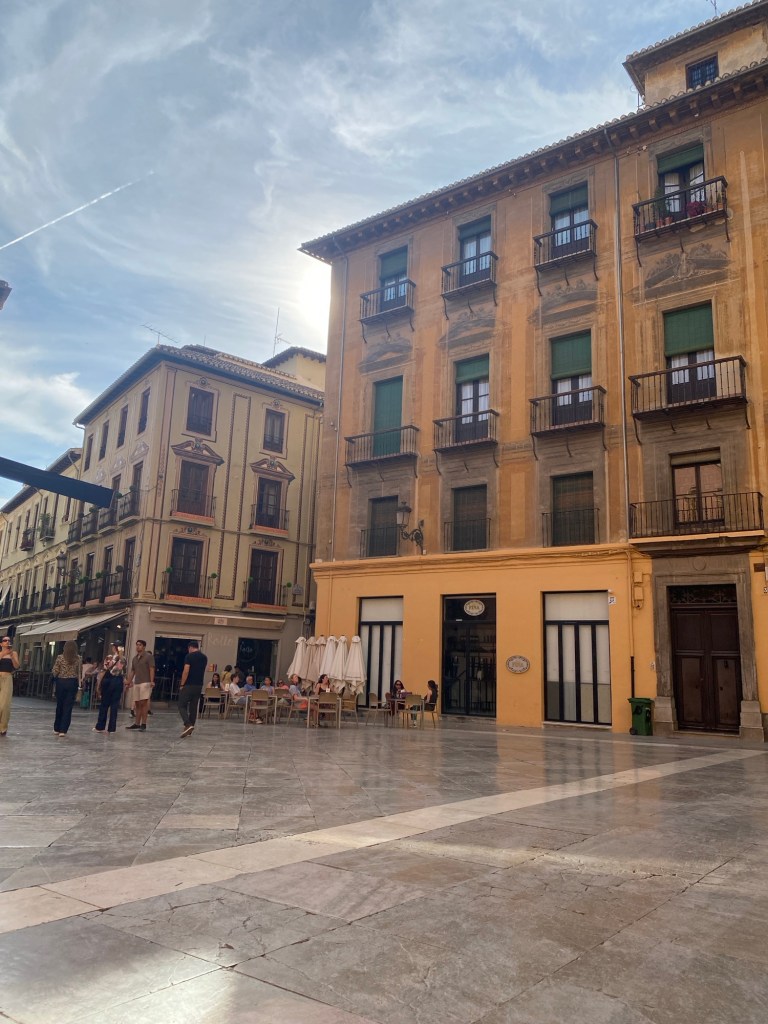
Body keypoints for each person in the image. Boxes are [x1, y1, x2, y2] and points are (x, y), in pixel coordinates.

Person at [178, 640, 208, 738]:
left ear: (190, 647)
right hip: (199, 685)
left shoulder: (189, 656)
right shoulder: (204, 657)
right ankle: (189, 730)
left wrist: (182, 684)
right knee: (193, 708)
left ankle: (188, 724)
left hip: (189, 684)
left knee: (181, 705)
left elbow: (186, 670)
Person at [94, 644, 126, 735]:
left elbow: (105, 668)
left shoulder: (110, 657)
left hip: (109, 680)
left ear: (114, 648)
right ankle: (112, 728)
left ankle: (100, 726)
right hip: (118, 681)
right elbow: (123, 671)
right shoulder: (123, 659)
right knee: (114, 705)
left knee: (104, 704)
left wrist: (99, 684)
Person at [52, 640, 82, 737]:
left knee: (60, 705)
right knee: (68, 707)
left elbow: (55, 671)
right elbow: (79, 672)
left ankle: (57, 728)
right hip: (72, 682)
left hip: (61, 682)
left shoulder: (60, 657)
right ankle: (63, 730)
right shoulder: (78, 658)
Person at [124, 639, 155, 732]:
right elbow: (133, 671)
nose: (138, 646)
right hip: (137, 682)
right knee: (137, 703)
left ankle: (144, 724)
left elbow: (151, 669)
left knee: (143, 703)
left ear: (144, 646)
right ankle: (137, 723)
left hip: (145, 682)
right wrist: (128, 682)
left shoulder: (149, 656)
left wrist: (151, 681)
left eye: (140, 645)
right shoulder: (134, 658)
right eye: (137, 645)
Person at [0, 635, 19, 736]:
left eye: (8, 640)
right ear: (1, 643)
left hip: (7, 678)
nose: (7, 642)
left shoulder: (14, 653)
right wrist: (3, 654)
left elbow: (16, 666)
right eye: (5, 640)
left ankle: (3, 727)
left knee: (5, 705)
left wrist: (12, 656)